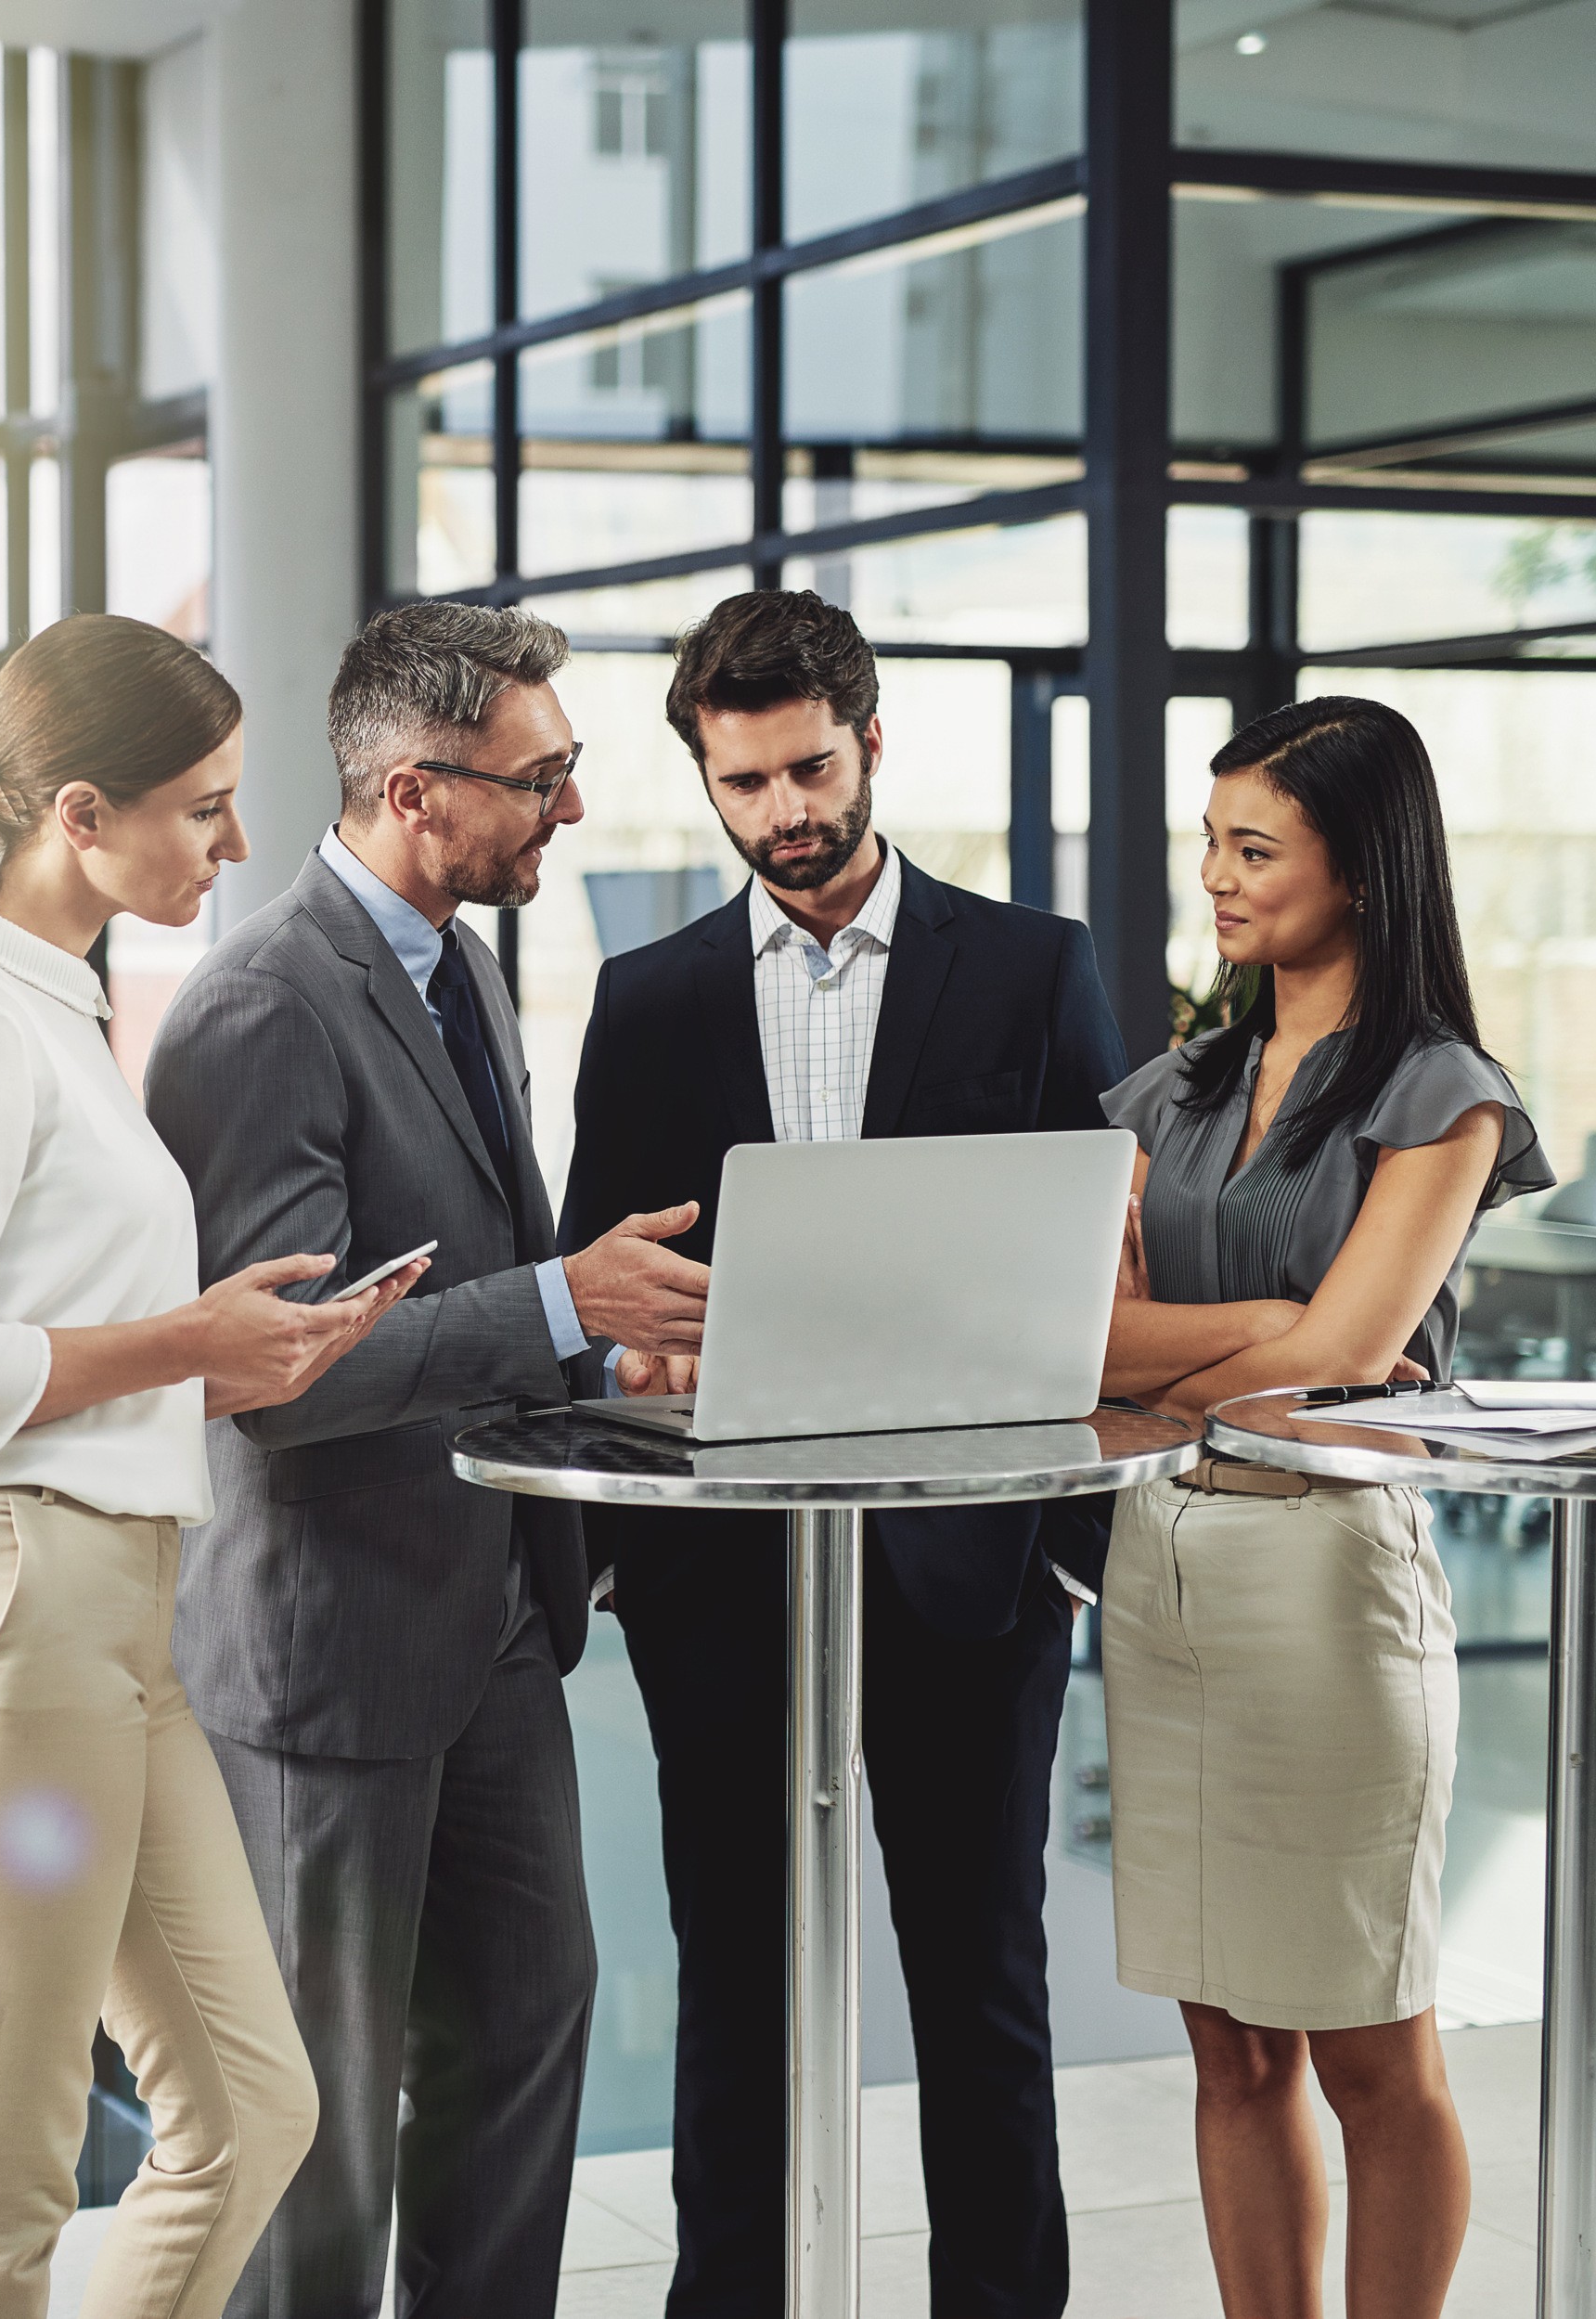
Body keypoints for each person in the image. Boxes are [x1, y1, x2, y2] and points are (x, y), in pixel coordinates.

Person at [0, 614, 425, 2319]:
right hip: (0, 1622)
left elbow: (50, 1360)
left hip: (104, 1625)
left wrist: (240, 1369)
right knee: (6, 2157)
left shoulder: (59, 1019)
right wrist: (183, 1348)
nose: (231, 843)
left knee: (250, 2106)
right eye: (202, 808)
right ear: (80, 810)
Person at [556, 589, 1128, 2319]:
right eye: (744, 787)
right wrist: (633, 1340)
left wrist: (1055, 1548)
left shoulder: (1036, 967)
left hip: (968, 1571)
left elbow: (1110, 1260)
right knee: (736, 1988)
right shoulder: (646, 1001)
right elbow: (598, 1272)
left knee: (982, 1991)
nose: (784, 815)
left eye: (809, 769)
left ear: (872, 740)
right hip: (722, 1581)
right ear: (707, 784)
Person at [144, 602, 710, 2319]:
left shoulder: (454, 960)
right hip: (336, 1646)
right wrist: (561, 1295)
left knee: (529, 2035)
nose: (572, 812)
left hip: (495, 1621)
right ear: (414, 789)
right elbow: (281, 1383)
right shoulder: (261, 1009)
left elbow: (451, 1278)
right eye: (541, 780)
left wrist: (601, 1342)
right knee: (314, 2123)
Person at [1095, 694, 1552, 2319]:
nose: (1212, 877)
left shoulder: (1444, 1090)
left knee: (1370, 2040)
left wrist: (1240, 1355)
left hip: (1326, 1586)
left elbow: (1355, 1356)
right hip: (1162, 1569)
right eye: (1208, 842)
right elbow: (1086, 1347)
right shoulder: (1167, 1091)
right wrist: (1265, 1342)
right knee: (1228, 2043)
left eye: (1252, 847)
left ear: (1359, 868)